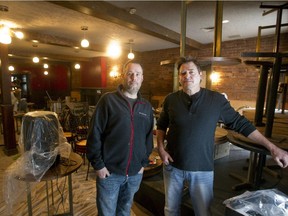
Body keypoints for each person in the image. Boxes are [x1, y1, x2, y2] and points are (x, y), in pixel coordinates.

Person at [156, 56, 288, 216]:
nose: (187, 76)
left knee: (203, 212)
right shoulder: (171, 99)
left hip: (202, 169)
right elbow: (161, 125)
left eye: (191, 72)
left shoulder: (216, 100)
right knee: (170, 210)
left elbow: (241, 124)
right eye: (183, 73)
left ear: (200, 75)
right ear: (179, 78)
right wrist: (161, 149)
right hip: (172, 167)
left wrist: (272, 148)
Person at [87, 61, 154, 216]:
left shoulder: (146, 106)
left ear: (142, 78)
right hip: (109, 172)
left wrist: (143, 163)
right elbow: (94, 133)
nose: (134, 77)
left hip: (134, 173)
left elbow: (148, 137)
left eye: (137, 74)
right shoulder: (108, 100)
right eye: (130, 73)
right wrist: (98, 165)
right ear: (124, 76)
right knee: (106, 212)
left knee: (125, 210)